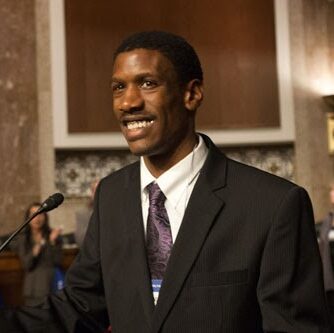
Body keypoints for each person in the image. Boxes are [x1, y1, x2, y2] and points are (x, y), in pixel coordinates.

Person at [0, 31, 330, 332]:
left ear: (192, 93)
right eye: (118, 87)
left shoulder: (272, 205)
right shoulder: (112, 195)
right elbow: (78, 307)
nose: (128, 103)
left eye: (147, 83)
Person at [15, 203, 63, 306]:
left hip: (52, 285)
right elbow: (26, 264)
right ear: (28, 217)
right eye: (34, 214)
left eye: (41, 214)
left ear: (45, 217)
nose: (37, 218)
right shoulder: (23, 238)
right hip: (33, 288)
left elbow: (57, 261)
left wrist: (52, 242)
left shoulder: (52, 235)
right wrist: (36, 250)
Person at [74, 180, 99, 248]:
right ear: (91, 193)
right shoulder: (82, 213)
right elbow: (80, 241)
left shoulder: (115, 211)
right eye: (95, 191)